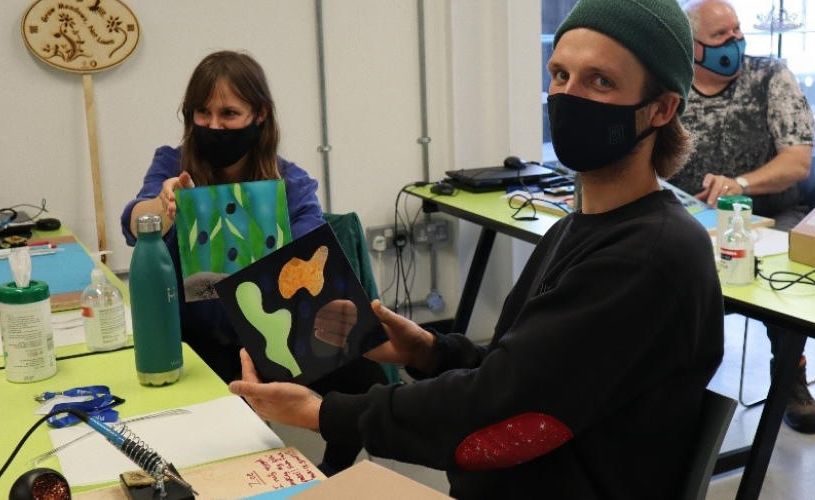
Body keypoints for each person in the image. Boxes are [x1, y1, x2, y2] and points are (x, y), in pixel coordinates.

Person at [229, 1, 724, 498]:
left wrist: (319, 413)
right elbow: (525, 369)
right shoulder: (581, 228)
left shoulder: (646, 257)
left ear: (661, 108)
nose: (568, 96)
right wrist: (429, 350)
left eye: (600, 82)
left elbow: (495, 407)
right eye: (559, 74)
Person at [120, 50, 388, 475]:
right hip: (196, 340)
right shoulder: (172, 164)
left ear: (259, 113)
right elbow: (134, 223)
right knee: (218, 437)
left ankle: (332, 473)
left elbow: (308, 263)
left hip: (271, 335)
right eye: (201, 112)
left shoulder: (292, 184)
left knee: (366, 382)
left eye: (229, 112)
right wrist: (162, 203)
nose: (213, 125)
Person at [671, 0, 815, 433]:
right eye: (721, 36)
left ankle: (790, 373)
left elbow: (797, 163)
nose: (735, 42)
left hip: (774, 215)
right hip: (691, 217)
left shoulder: (771, 77)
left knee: (780, 273)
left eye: (737, 30)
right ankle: (667, 382)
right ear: (692, 47)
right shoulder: (671, 87)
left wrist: (740, 183)